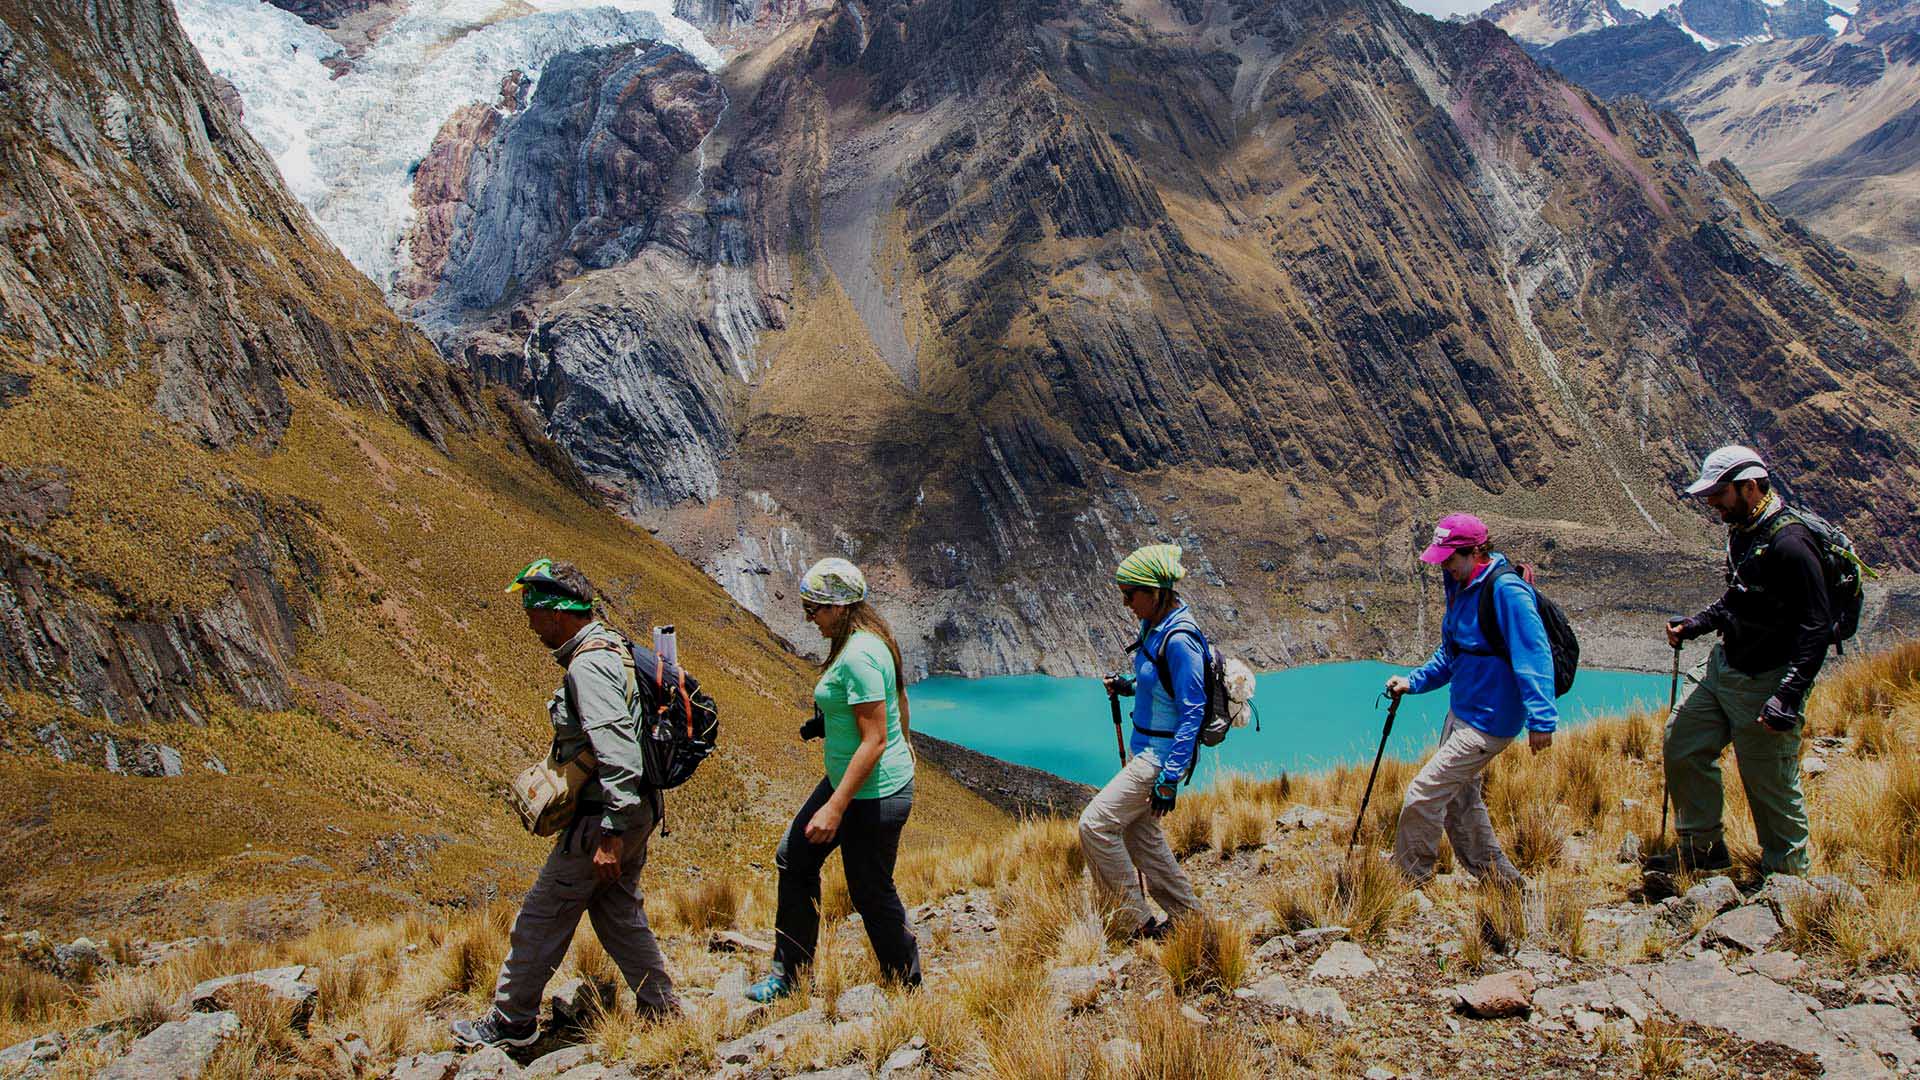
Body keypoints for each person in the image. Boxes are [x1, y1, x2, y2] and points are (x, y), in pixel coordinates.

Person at [453, 559, 677, 1050]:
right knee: (617, 911)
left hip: (604, 818)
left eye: (532, 611)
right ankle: (662, 1009)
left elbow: (617, 750)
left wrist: (611, 835)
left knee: (543, 912)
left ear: (555, 612)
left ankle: (511, 1021)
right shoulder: (612, 647)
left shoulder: (589, 664)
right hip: (636, 808)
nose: (529, 623)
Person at [746, 558, 919, 1002]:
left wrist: (835, 806)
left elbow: (876, 739)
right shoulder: (870, 641)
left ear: (841, 607)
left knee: (870, 891)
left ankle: (906, 986)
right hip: (857, 782)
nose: (810, 619)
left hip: (869, 792)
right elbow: (893, 707)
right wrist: (828, 725)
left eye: (816, 610)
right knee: (796, 860)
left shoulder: (860, 654)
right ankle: (790, 976)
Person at [1658, 445, 1831, 876]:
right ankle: (1702, 851)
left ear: (1749, 486)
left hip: (1766, 681)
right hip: (1725, 665)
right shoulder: (1745, 530)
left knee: (1768, 782)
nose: (1712, 502)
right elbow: (1739, 595)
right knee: (1682, 742)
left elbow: (1817, 625)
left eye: (1719, 493)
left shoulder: (1791, 544)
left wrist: (1787, 696)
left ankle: (1787, 880)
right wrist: (1696, 625)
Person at [1383, 513, 1557, 888]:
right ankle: (1502, 883)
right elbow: (1453, 653)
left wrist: (1542, 720)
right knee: (1460, 805)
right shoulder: (1461, 587)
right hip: (1461, 714)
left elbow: (1534, 654)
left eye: (1449, 558)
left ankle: (1409, 880)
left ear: (1475, 551)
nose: (1443, 566)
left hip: (1487, 724)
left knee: (1422, 794)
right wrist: (1412, 682)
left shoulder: (1506, 591)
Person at [1079, 543, 1203, 940]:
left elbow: (1192, 711)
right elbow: (1160, 688)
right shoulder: (1155, 628)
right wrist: (1129, 687)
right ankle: (1190, 918)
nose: (1126, 602)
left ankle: (1135, 922)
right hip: (1149, 751)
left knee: (1095, 825)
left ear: (1155, 593)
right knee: (1140, 836)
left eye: (1130, 594)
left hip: (1159, 759)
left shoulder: (1180, 639)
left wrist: (1169, 778)